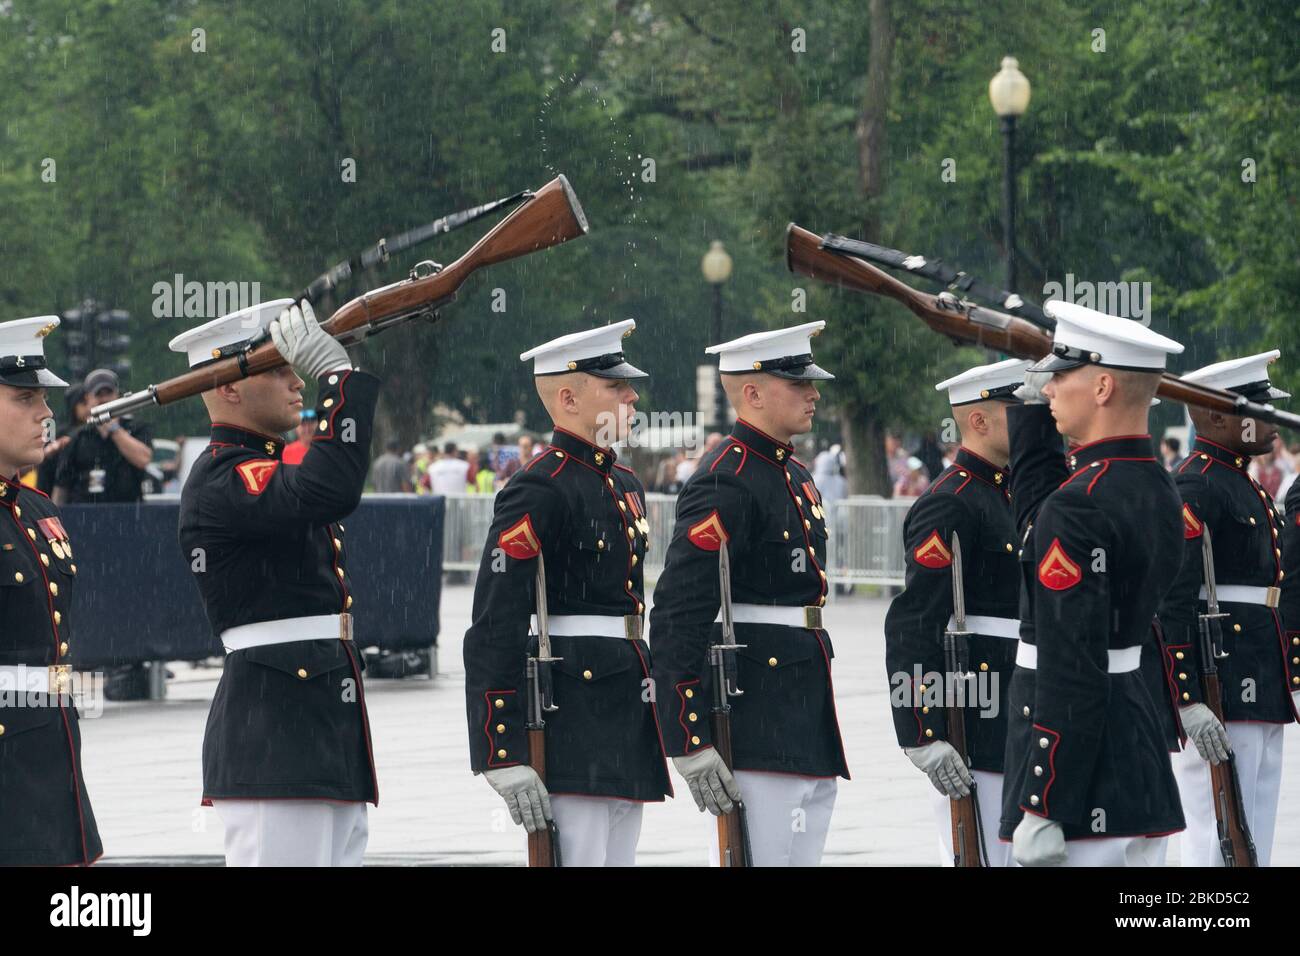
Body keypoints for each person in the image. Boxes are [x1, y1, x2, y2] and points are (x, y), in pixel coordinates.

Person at [173, 298, 379, 866]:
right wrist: (338, 381)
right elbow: (329, 489)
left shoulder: (258, 469)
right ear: (229, 387)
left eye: (298, 367)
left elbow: (322, 482)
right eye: (278, 367)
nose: (296, 381)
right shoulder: (223, 476)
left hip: (318, 723)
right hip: (275, 731)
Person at [463, 319, 670, 866]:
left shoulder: (624, 484)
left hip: (625, 698)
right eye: (616, 386)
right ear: (569, 396)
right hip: (570, 709)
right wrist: (499, 746)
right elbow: (495, 618)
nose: (632, 395)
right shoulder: (540, 486)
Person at [650, 320, 849, 867]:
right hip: (754, 709)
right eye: (799, 384)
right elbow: (678, 610)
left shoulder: (795, 474)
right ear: (754, 392)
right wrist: (687, 733)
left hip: (803, 702)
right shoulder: (727, 478)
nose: (813, 393)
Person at [1001, 300, 1186, 867]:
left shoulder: (1079, 506)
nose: (1048, 388)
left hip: (1082, 785)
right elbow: (1037, 508)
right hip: (1136, 757)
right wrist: (1034, 405)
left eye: (1060, 375)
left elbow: (1071, 663)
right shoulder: (1157, 487)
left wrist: (1044, 801)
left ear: (1102, 386)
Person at [884, 358, 1030, 866]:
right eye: (1017, 409)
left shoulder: (1016, 494)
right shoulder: (949, 503)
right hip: (979, 712)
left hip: (1024, 703)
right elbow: (914, 623)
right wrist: (922, 729)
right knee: (982, 855)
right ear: (980, 421)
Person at [1159, 350, 1294, 867]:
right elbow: (1172, 597)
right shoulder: (1196, 485)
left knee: (1252, 826)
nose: (1273, 421)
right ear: (1216, 416)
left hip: (1259, 671)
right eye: (1257, 409)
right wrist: (1187, 694)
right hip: (1221, 676)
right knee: (1211, 832)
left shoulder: (1242, 481)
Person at [0, 315, 101, 865]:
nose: (45, 414)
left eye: (43, 399)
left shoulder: (37, 511)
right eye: (24, 398)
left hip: (53, 762)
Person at [53, 368, 153, 505]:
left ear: (117, 394)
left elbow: (143, 459)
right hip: (85, 513)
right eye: (99, 394)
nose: (104, 399)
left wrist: (114, 429)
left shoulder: (136, 427)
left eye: (108, 393)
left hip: (128, 513)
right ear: (88, 398)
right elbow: (62, 485)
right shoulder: (78, 436)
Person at [35, 383, 88, 495]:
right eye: (83, 403)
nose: (88, 407)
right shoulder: (59, 432)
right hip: (55, 486)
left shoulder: (93, 432)